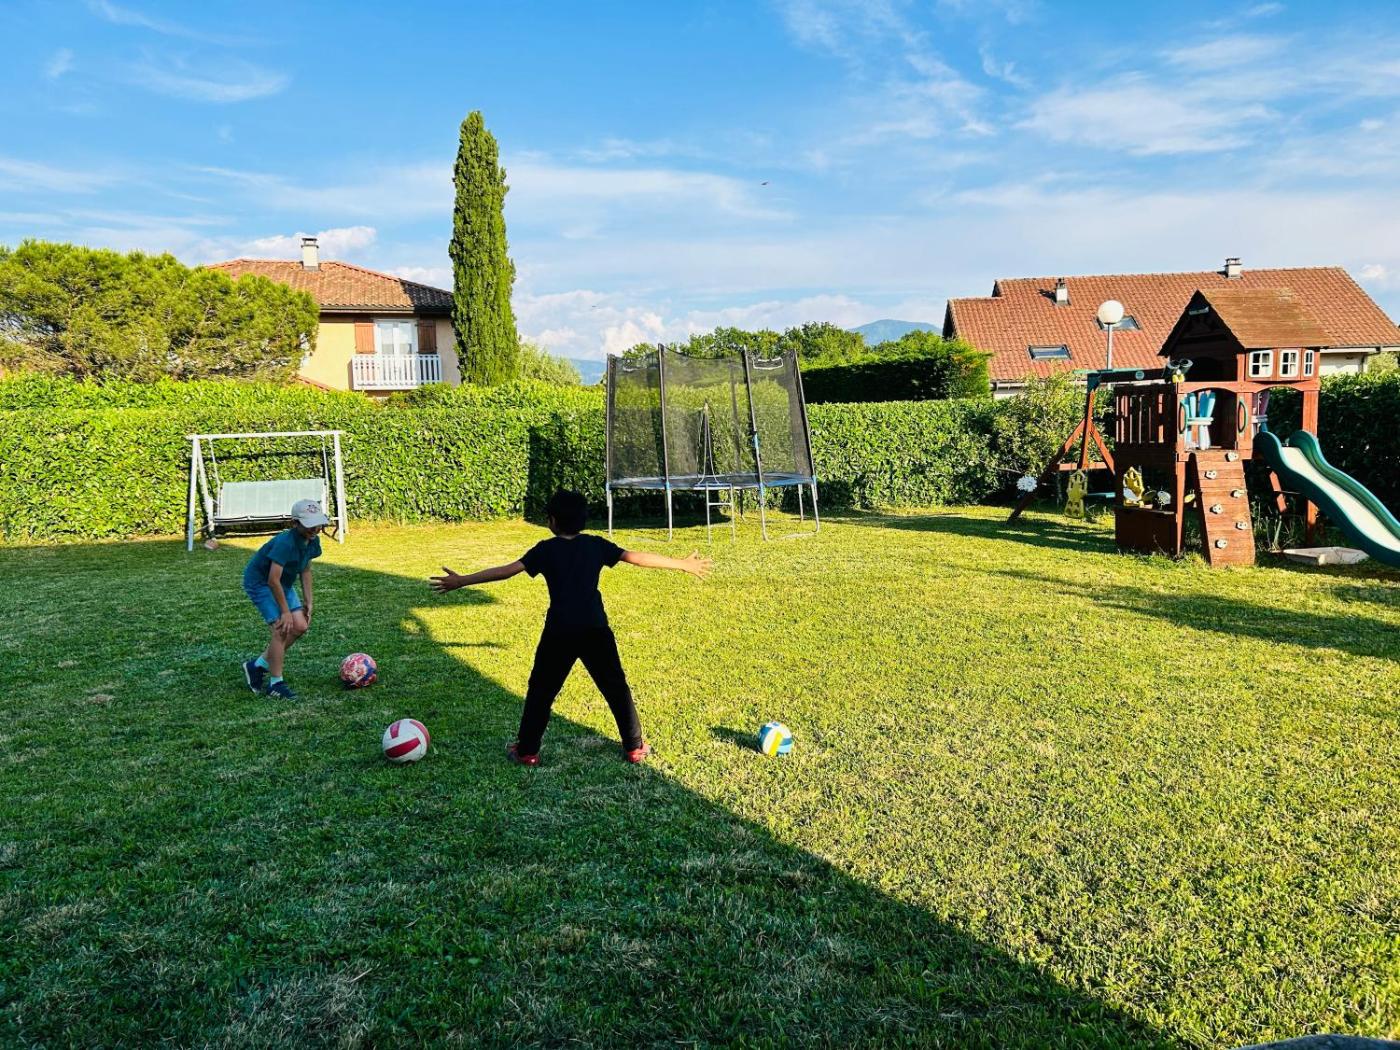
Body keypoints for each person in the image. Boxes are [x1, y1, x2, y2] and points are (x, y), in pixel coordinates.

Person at [430, 490, 710, 765]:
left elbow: (506, 571)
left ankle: (527, 751)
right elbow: (636, 557)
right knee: (616, 689)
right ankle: (634, 747)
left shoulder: (545, 550)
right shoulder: (595, 545)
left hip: (559, 633)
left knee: (541, 692)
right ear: (583, 520)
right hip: (595, 630)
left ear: (552, 521)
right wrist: (681, 564)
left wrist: (462, 580)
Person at [241, 498, 331, 700]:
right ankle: (276, 684)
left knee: (300, 626)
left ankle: (257, 666)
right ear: (295, 523)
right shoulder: (285, 543)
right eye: (309, 524)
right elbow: (272, 580)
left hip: (283, 583)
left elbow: (305, 569)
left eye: (317, 523)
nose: (315, 529)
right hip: (261, 583)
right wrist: (285, 612)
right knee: (282, 629)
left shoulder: (313, 540)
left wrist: (309, 600)